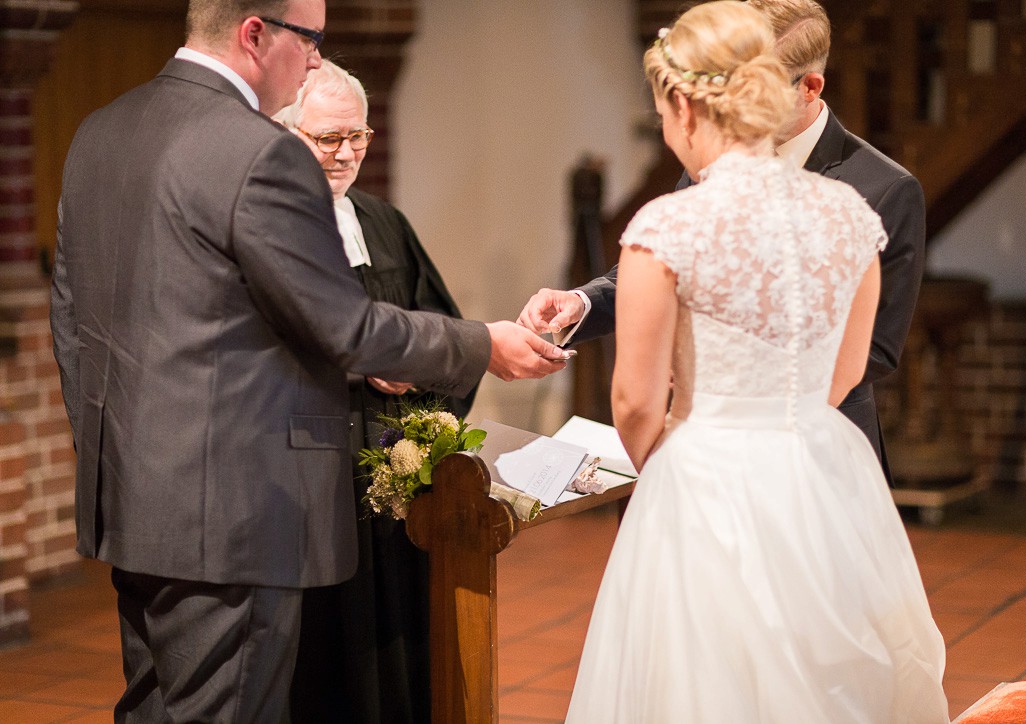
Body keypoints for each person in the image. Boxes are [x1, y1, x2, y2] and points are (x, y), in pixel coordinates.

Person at [48, 1, 567, 721]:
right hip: (233, 512)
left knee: (155, 709)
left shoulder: (101, 131)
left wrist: (107, 454)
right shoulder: (259, 150)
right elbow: (345, 326)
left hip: (135, 499)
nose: (318, 59)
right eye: (311, 39)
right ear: (255, 34)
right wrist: (486, 344)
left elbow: (73, 323)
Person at [564, 3, 948, 721]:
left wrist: (678, 467)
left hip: (703, 472)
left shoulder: (666, 221)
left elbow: (636, 403)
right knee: (825, 668)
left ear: (683, 103)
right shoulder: (849, 216)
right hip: (824, 471)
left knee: (705, 681)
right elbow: (841, 374)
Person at [518, 0, 925, 486]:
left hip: (822, 461)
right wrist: (584, 301)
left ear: (810, 87)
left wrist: (717, 395)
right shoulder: (707, 162)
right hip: (709, 452)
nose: (735, 101)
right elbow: (674, 261)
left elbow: (875, 349)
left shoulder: (879, 191)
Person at [271, 60, 461, 722]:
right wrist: (356, 364)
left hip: (391, 474)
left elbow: (439, 325)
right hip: (305, 483)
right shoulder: (261, 226)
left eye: (359, 136)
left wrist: (421, 369)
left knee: (400, 645)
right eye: (329, 139)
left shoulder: (381, 222)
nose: (347, 152)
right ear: (283, 133)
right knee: (326, 656)